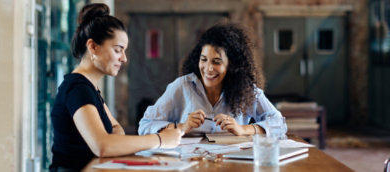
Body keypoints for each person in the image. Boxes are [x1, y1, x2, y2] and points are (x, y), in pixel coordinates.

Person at [49, 3, 182, 171]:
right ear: (93, 46)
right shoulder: (77, 87)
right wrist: (160, 139)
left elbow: (116, 128)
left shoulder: (90, 87)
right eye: (118, 50)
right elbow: (103, 146)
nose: (124, 59)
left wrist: (112, 142)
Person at [138, 22, 286, 136]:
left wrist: (243, 129)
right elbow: (145, 125)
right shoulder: (182, 86)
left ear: (232, 65)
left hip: (232, 163)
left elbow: (279, 124)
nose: (208, 68)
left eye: (216, 62)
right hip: (190, 162)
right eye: (204, 60)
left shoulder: (246, 90)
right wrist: (182, 127)